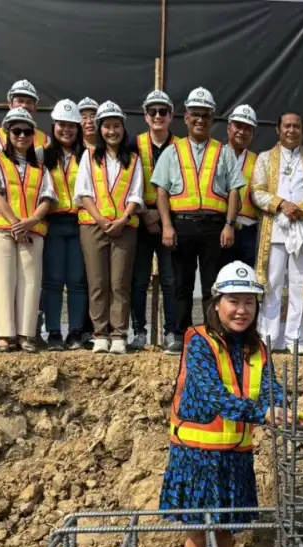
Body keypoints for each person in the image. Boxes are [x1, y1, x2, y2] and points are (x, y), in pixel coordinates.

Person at [160, 261, 286, 547]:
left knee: (226, 532)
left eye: (249, 301)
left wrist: (279, 406)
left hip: (235, 457)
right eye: (234, 300)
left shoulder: (257, 347)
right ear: (216, 303)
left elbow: (271, 389)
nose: (242, 309)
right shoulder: (199, 341)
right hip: (197, 457)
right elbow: (215, 397)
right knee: (199, 534)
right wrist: (264, 414)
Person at [152, 87, 245, 334]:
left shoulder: (223, 152)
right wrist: (167, 226)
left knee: (212, 286)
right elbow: (161, 192)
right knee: (180, 283)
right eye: (196, 114)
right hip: (181, 225)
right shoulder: (172, 151)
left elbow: (235, 190)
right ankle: (180, 333)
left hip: (214, 227)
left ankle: (210, 333)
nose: (200, 120)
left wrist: (229, 224)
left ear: (212, 119)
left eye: (205, 115)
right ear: (186, 117)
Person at [253, 111, 303, 355]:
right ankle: (267, 338)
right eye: (287, 126)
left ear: (302, 130)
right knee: (273, 285)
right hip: (275, 229)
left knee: (298, 285)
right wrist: (281, 204)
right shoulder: (265, 158)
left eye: (296, 126)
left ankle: (294, 340)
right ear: (278, 129)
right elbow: (256, 191)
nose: (291, 130)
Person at [0, 108, 57, 352]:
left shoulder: (41, 168)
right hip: (1, 228)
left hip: (32, 231)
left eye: (27, 131)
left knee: (30, 281)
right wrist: (17, 222)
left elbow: (48, 197)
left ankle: (26, 334)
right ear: (8, 133)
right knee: (3, 280)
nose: (22, 136)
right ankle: (5, 335)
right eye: (16, 131)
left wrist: (31, 222)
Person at [75, 101, 144, 355]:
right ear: (100, 129)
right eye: (107, 126)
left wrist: (122, 220)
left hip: (124, 229)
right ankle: (100, 334)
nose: (112, 131)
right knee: (97, 282)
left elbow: (136, 195)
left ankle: (118, 335)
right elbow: (83, 193)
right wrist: (103, 220)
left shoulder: (134, 160)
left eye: (116, 126)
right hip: (94, 227)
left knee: (120, 283)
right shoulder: (89, 156)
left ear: (123, 129)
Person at [130, 89, 179, 353]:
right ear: (145, 115)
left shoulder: (180, 147)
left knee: (171, 279)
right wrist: (142, 213)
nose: (158, 116)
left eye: (163, 111)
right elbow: (124, 183)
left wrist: (162, 217)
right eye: (153, 112)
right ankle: (139, 332)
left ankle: (171, 332)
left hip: (169, 221)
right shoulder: (133, 144)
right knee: (139, 280)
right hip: (139, 219)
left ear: (171, 115)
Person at [40, 99, 88, 350]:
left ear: (79, 128)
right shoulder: (42, 155)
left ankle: (77, 332)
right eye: (61, 124)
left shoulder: (88, 156)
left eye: (71, 125)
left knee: (78, 279)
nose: (66, 129)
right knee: (53, 279)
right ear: (53, 125)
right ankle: (55, 332)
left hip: (80, 221)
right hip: (53, 222)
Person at [226, 104, 260, 268]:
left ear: (253, 134)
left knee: (245, 278)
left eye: (248, 128)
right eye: (238, 126)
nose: (242, 132)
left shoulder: (259, 161)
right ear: (229, 128)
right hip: (221, 226)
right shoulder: (216, 154)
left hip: (248, 230)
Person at [0, 80, 48, 155]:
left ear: (35, 108)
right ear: (10, 104)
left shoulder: (45, 139)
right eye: (20, 101)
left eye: (29, 102)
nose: (24, 105)